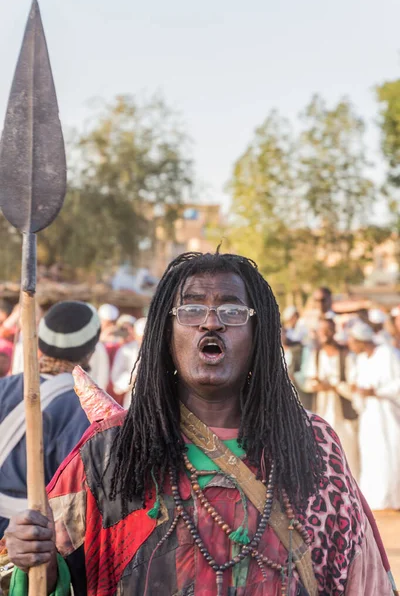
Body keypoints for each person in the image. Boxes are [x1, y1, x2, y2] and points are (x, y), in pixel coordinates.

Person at [5, 253, 396, 595]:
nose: (211, 322)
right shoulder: (111, 449)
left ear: (258, 332)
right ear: (165, 332)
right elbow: (40, 573)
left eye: (232, 310)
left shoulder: (311, 444)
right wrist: (35, 556)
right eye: (191, 310)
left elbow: (361, 578)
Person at [0, 300, 101, 538]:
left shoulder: (3, 387)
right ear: (90, 350)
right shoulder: (83, 409)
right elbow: (72, 499)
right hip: (29, 540)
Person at [295, 318, 359, 478]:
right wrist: (317, 385)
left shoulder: (345, 355)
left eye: (327, 330)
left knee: (348, 454)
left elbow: (354, 386)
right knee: (324, 453)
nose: (323, 334)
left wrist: (334, 386)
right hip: (322, 411)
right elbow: (307, 382)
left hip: (344, 414)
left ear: (333, 331)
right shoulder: (315, 354)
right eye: (320, 330)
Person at [348, 322, 400, 511]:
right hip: (370, 415)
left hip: (389, 415)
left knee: (391, 451)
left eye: (352, 340)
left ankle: (395, 498)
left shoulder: (387, 353)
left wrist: (377, 391)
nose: (350, 344)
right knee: (373, 453)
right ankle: (378, 499)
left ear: (361, 340)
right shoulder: (361, 359)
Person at [111, 316, 146, 408]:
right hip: (132, 398)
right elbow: (116, 376)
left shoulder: (161, 351)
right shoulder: (126, 350)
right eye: (140, 338)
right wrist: (131, 379)